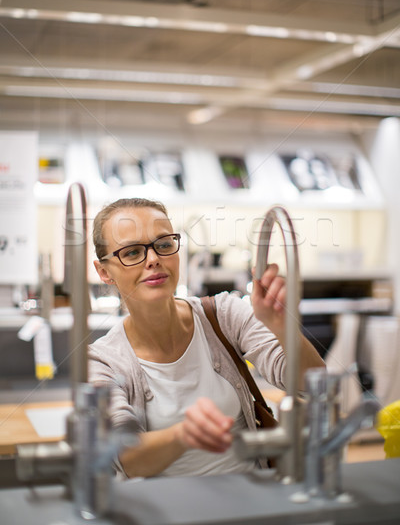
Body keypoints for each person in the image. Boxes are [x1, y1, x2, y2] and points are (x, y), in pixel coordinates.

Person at [89, 198, 325, 479]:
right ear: (104, 272)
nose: (153, 259)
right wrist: (184, 434)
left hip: (253, 501)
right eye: (131, 252)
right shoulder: (102, 361)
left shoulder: (224, 314)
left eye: (163, 245)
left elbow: (311, 385)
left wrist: (282, 326)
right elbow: (126, 458)